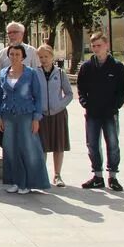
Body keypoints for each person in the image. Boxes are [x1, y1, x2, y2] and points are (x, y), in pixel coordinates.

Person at [0, 44, 50, 194]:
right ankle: (14, 181)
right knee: (10, 149)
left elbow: (38, 96)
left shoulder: (30, 73)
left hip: (26, 115)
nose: (14, 57)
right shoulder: (3, 73)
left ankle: (28, 182)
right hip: (8, 115)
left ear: (23, 56)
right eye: (11, 54)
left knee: (28, 148)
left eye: (17, 54)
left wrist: (36, 118)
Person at [77, 32, 124, 192]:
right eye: (93, 46)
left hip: (110, 113)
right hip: (92, 113)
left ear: (106, 45)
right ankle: (97, 176)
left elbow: (123, 90)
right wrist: (85, 103)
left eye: (99, 45)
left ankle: (112, 176)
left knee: (112, 144)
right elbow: (81, 88)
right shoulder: (87, 67)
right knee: (92, 144)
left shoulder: (117, 67)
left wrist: (115, 106)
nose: (96, 49)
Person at [36, 44, 73, 187]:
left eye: (46, 56)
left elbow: (69, 93)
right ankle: (42, 174)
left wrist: (60, 104)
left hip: (58, 114)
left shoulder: (60, 73)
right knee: (42, 146)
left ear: (52, 56)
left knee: (58, 145)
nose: (44, 59)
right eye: (41, 57)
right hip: (42, 115)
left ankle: (57, 175)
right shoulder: (35, 73)